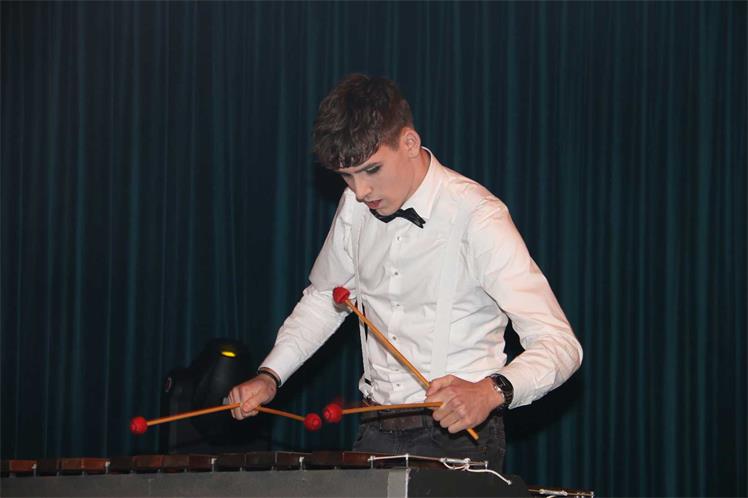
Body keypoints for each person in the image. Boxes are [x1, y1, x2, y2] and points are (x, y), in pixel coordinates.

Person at [227, 74, 582, 471]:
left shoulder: (478, 217)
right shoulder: (354, 207)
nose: (360, 191)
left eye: (371, 170)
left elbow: (560, 344)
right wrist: (270, 375)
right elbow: (326, 299)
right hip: (374, 427)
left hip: (458, 437)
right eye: (347, 176)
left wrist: (490, 391)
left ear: (409, 143)